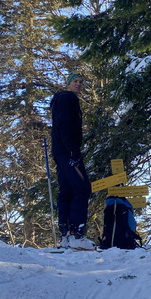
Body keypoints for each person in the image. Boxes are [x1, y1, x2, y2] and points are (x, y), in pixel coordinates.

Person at [50, 72, 94, 250]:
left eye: (81, 82)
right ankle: (76, 233)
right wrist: (72, 150)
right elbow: (64, 123)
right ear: (68, 84)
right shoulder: (66, 98)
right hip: (67, 151)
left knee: (67, 189)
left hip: (61, 151)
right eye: (75, 81)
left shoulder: (62, 99)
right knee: (81, 187)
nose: (78, 84)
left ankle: (66, 235)